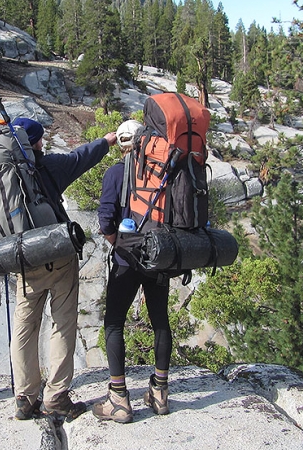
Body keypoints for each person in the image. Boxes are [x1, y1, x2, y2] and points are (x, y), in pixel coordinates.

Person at [8, 117, 117, 421]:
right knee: (62, 322)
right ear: (36, 143)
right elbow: (79, 159)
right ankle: (56, 396)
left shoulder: (2, 174)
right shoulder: (47, 167)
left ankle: (24, 396)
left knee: (24, 325)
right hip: (56, 255)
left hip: (21, 258)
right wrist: (106, 142)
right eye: (40, 139)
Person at [93, 119, 172, 424]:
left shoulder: (116, 172)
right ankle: (160, 393)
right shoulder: (163, 172)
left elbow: (105, 220)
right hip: (159, 259)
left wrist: (120, 245)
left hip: (127, 260)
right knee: (160, 320)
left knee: (114, 323)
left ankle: (118, 399)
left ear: (123, 144)